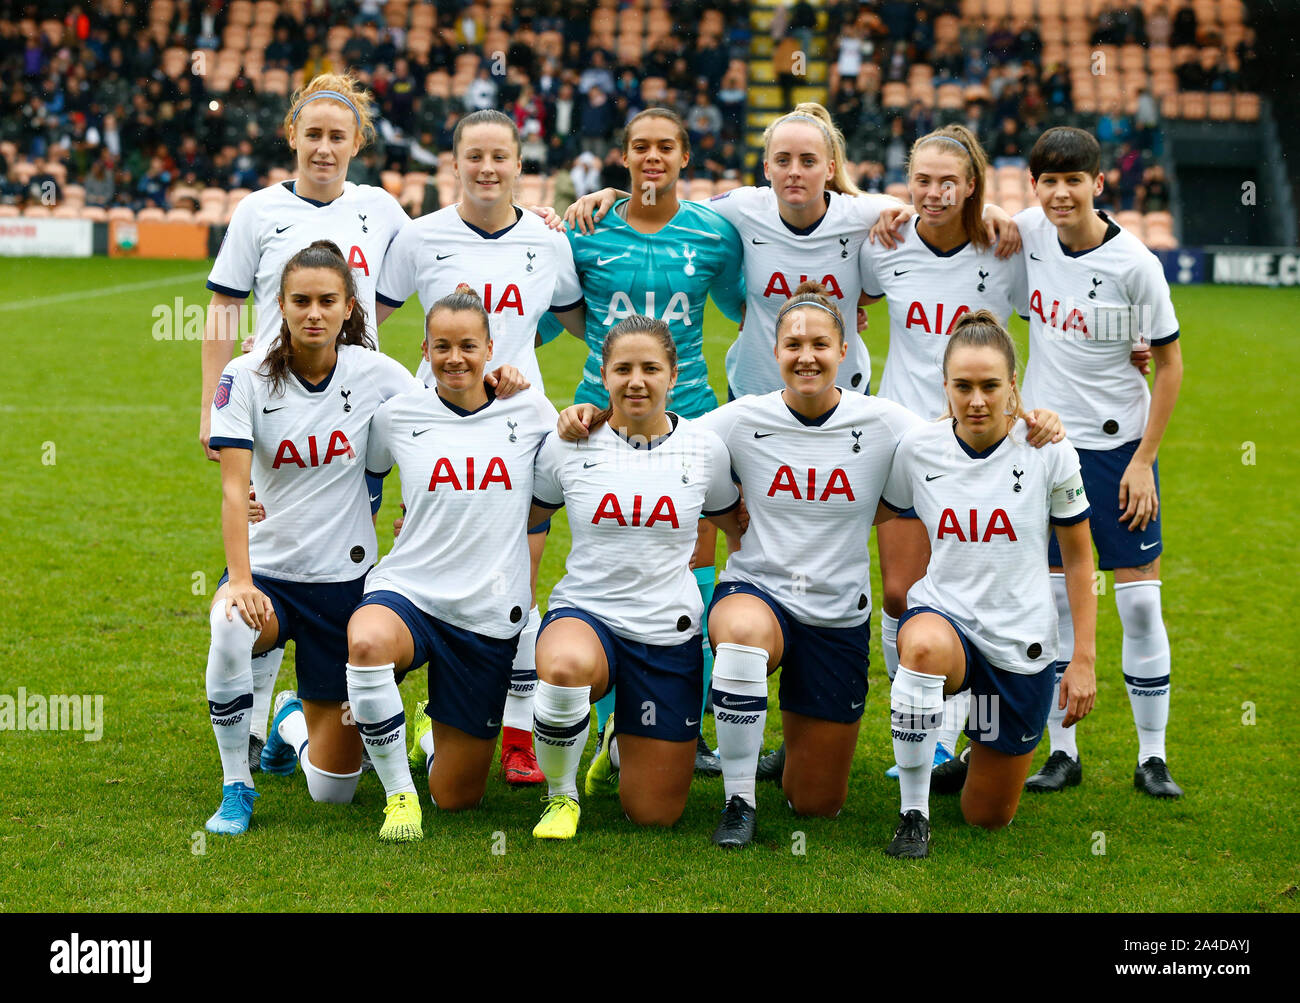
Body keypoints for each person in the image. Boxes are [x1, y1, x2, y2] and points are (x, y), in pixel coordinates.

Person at [572, 283, 923, 847]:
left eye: (819, 344)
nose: (806, 356)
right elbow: (658, 435)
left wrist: (1027, 420)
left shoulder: (885, 422)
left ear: (845, 351)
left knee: (815, 805)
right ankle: (739, 801)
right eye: (792, 344)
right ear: (775, 350)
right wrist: (594, 414)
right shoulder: (738, 420)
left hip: (837, 614)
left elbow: (955, 445)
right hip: (757, 592)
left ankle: (776, 749)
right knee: (738, 638)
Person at [199, 74, 411, 769]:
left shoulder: (381, 211)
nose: (323, 148)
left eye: (337, 136)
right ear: (293, 137)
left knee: (345, 554)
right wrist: (212, 406)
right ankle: (257, 725)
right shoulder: (258, 212)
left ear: (357, 143)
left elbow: (406, 287)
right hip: (273, 413)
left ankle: (315, 702)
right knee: (266, 558)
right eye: (312, 134)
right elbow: (225, 308)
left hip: (357, 417)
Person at [374, 109, 585, 786]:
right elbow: (368, 325)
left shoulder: (548, 241)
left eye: (501, 156)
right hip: (435, 430)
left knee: (515, 584)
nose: (487, 168)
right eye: (475, 156)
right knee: (426, 565)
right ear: (454, 163)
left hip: (519, 429)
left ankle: (517, 730)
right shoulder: (420, 235)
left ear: (521, 166)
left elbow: (581, 317)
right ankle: (410, 716)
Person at [542, 107, 745, 777]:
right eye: (640, 147)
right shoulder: (588, 230)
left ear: (684, 156)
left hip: (692, 420)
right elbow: (551, 317)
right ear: (623, 157)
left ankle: (693, 714)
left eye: (666, 147)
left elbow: (752, 305)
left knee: (693, 570)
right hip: (600, 422)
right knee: (609, 557)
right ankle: (609, 724)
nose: (652, 157)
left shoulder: (716, 233)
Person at [202, 240, 422, 835]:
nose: (314, 313)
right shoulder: (243, 376)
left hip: (343, 585)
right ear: (280, 304)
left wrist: (502, 385)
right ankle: (236, 786)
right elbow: (231, 489)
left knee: (332, 793)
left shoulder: (377, 374)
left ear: (351, 306)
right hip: (269, 577)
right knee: (228, 624)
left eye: (328, 300)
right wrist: (241, 581)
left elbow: (442, 426)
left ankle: (288, 723)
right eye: (300, 300)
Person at [880, 310, 1097, 858]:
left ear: (1013, 387)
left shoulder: (1050, 450)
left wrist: (1084, 659)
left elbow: (1077, 559)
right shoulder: (918, 449)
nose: (976, 400)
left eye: (990, 386)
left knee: (986, 818)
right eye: (963, 386)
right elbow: (868, 512)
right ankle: (914, 812)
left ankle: (979, 748)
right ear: (945, 387)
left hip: (1019, 643)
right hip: (946, 622)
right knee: (924, 645)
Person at [344, 288, 555, 842]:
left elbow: (567, 472)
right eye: (442, 346)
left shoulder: (529, 409)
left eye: (468, 345)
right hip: (410, 590)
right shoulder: (396, 414)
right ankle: (398, 796)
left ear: (490, 348)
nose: (455, 357)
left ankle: (431, 736)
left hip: (484, 612)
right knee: (366, 642)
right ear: (425, 349)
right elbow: (356, 479)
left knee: (458, 798)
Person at [526, 316, 744, 840]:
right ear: (604, 375)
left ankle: (615, 742)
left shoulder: (705, 449)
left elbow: (735, 523)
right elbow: (531, 516)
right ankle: (561, 797)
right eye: (623, 368)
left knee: (654, 814)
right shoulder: (570, 443)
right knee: (564, 668)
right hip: (587, 614)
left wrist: (737, 596)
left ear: (674, 372)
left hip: (666, 632)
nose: (636, 381)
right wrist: (522, 596)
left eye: (651, 368)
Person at [1016, 127, 1184, 798]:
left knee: (1139, 605)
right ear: (1035, 186)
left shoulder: (1136, 264)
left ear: (1098, 184)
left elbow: (1168, 365)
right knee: (1056, 602)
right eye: (1048, 181)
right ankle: (1063, 752)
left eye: (1072, 180)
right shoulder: (1028, 232)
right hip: (1049, 448)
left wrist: (1145, 459)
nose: (1060, 193)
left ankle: (1152, 756)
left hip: (1120, 453)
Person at [859, 124, 1028, 785]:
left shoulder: (1007, 248)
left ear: (970, 186)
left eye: (947, 181)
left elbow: (1070, 279)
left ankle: (945, 740)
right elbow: (853, 291)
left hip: (982, 445)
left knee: (969, 592)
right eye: (920, 180)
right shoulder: (886, 242)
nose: (932, 193)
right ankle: (914, 723)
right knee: (901, 590)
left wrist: (1134, 352)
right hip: (902, 439)